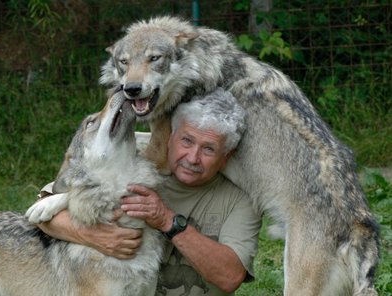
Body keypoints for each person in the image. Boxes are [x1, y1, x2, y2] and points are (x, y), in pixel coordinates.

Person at [37, 88, 262, 295]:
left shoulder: (242, 198)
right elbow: (40, 213)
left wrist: (167, 220)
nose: (193, 158)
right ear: (170, 136)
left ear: (226, 157)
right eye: (187, 140)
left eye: (208, 149)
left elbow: (230, 277)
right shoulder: (133, 152)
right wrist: (95, 235)